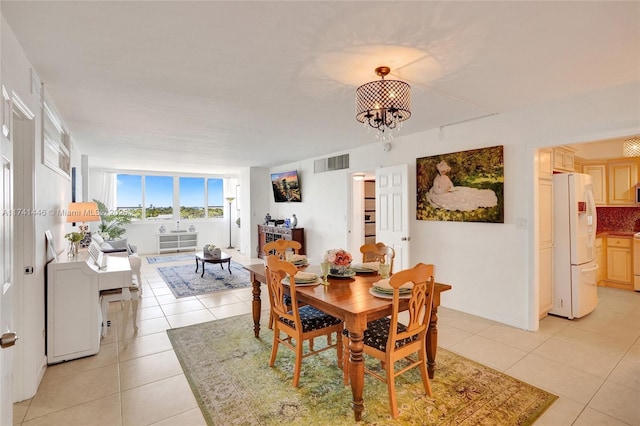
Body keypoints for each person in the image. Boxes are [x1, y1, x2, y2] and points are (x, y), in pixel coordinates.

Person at [426, 160, 497, 212]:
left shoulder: (446, 177)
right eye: (443, 171)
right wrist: (445, 190)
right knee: (457, 198)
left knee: (464, 191)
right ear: (440, 171)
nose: (444, 173)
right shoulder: (437, 179)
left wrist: (450, 188)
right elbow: (436, 190)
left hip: (448, 191)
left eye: (445, 171)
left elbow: (450, 184)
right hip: (440, 195)